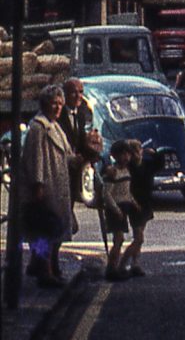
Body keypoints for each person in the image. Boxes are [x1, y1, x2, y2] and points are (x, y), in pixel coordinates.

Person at [20, 84, 74, 287]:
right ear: (45, 104)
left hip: (57, 184)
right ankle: (45, 271)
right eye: (54, 104)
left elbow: (67, 154)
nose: (58, 108)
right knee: (45, 231)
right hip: (45, 186)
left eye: (60, 104)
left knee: (53, 230)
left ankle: (46, 266)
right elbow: (36, 158)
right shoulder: (38, 126)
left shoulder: (55, 126)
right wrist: (38, 184)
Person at [101, 140, 140, 282]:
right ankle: (111, 269)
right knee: (118, 239)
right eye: (123, 154)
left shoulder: (126, 170)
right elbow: (106, 194)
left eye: (127, 154)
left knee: (120, 239)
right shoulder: (113, 172)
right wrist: (116, 209)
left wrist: (133, 202)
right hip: (115, 209)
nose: (126, 157)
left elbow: (126, 191)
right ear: (115, 156)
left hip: (124, 206)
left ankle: (114, 267)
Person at [61, 77, 103, 209]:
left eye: (81, 92)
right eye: (74, 92)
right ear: (65, 94)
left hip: (74, 169)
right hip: (60, 167)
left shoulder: (80, 113)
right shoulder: (58, 113)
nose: (78, 96)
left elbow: (78, 138)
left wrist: (90, 151)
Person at [119, 138, 157, 279]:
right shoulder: (129, 168)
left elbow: (159, 165)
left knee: (139, 237)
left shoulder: (146, 164)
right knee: (139, 238)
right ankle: (122, 264)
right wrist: (133, 202)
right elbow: (127, 189)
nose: (137, 154)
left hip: (146, 204)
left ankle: (135, 263)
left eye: (138, 150)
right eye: (134, 152)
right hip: (135, 205)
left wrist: (154, 153)